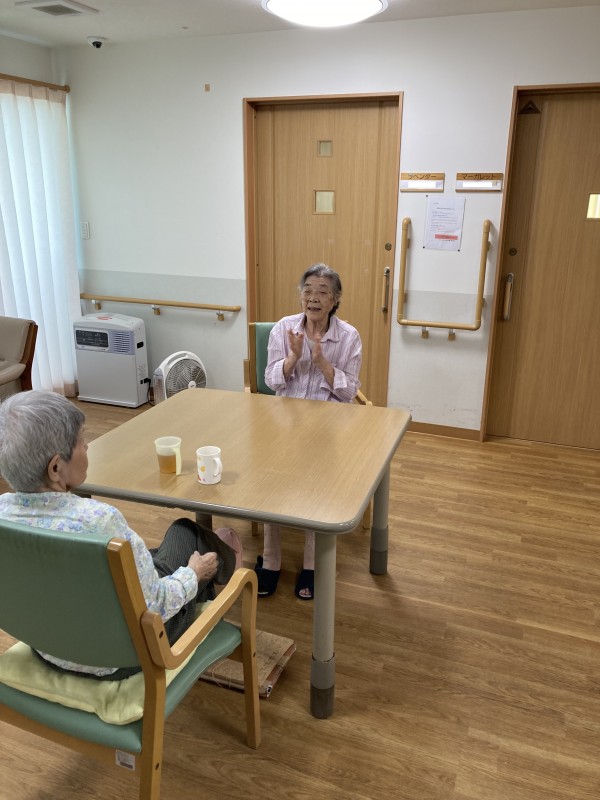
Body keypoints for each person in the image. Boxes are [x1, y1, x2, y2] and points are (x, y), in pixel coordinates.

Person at [0, 389, 242, 680]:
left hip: (49, 649)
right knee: (184, 531)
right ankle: (225, 569)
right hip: (122, 657)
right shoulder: (99, 521)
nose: (87, 446)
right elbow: (155, 607)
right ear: (55, 467)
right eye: (81, 441)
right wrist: (194, 573)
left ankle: (211, 568)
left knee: (147, 560)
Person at [254, 262, 362, 600]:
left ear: (335, 299)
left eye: (322, 292)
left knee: (319, 489)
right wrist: (293, 358)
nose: (313, 298)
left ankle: (312, 565)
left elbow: (349, 391)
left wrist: (322, 362)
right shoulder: (284, 328)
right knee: (271, 482)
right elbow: (271, 381)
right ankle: (271, 559)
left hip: (328, 424)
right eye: (308, 291)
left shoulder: (348, 336)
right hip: (285, 420)